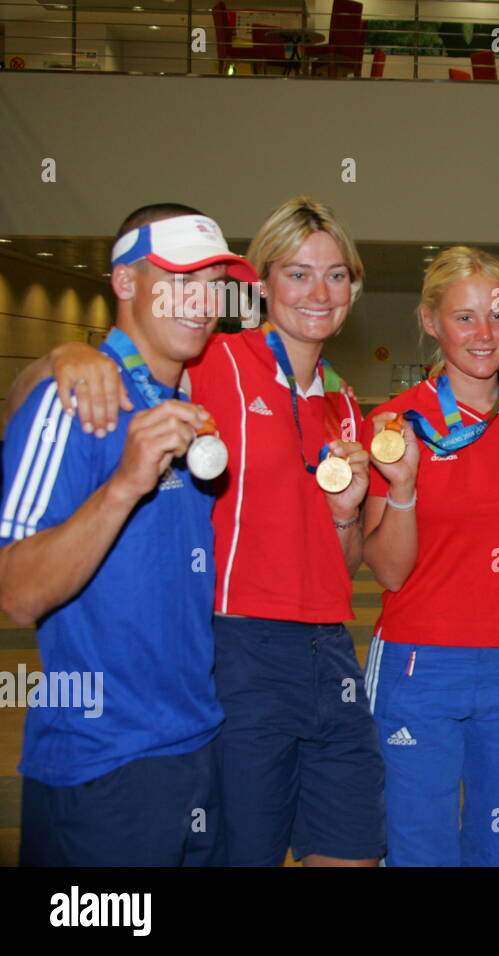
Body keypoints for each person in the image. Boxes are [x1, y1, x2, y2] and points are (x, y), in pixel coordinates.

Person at [20, 196, 388, 867]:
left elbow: (348, 563)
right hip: (239, 650)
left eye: (336, 275)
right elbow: (106, 374)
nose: (319, 292)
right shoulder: (215, 361)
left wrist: (346, 517)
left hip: (330, 651)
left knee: (355, 847)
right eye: (299, 273)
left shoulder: (344, 405)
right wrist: (70, 355)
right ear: (262, 286)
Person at [0, 204, 255, 864]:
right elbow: (16, 592)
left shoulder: (193, 409)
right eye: (178, 279)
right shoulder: (76, 403)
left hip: (198, 746)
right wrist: (123, 484)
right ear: (124, 282)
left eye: (212, 283)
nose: (201, 302)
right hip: (101, 765)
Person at [359, 247, 499, 866]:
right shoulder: (397, 423)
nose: (485, 334)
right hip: (417, 664)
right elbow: (389, 570)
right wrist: (402, 489)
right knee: (417, 849)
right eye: (465, 317)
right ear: (430, 321)